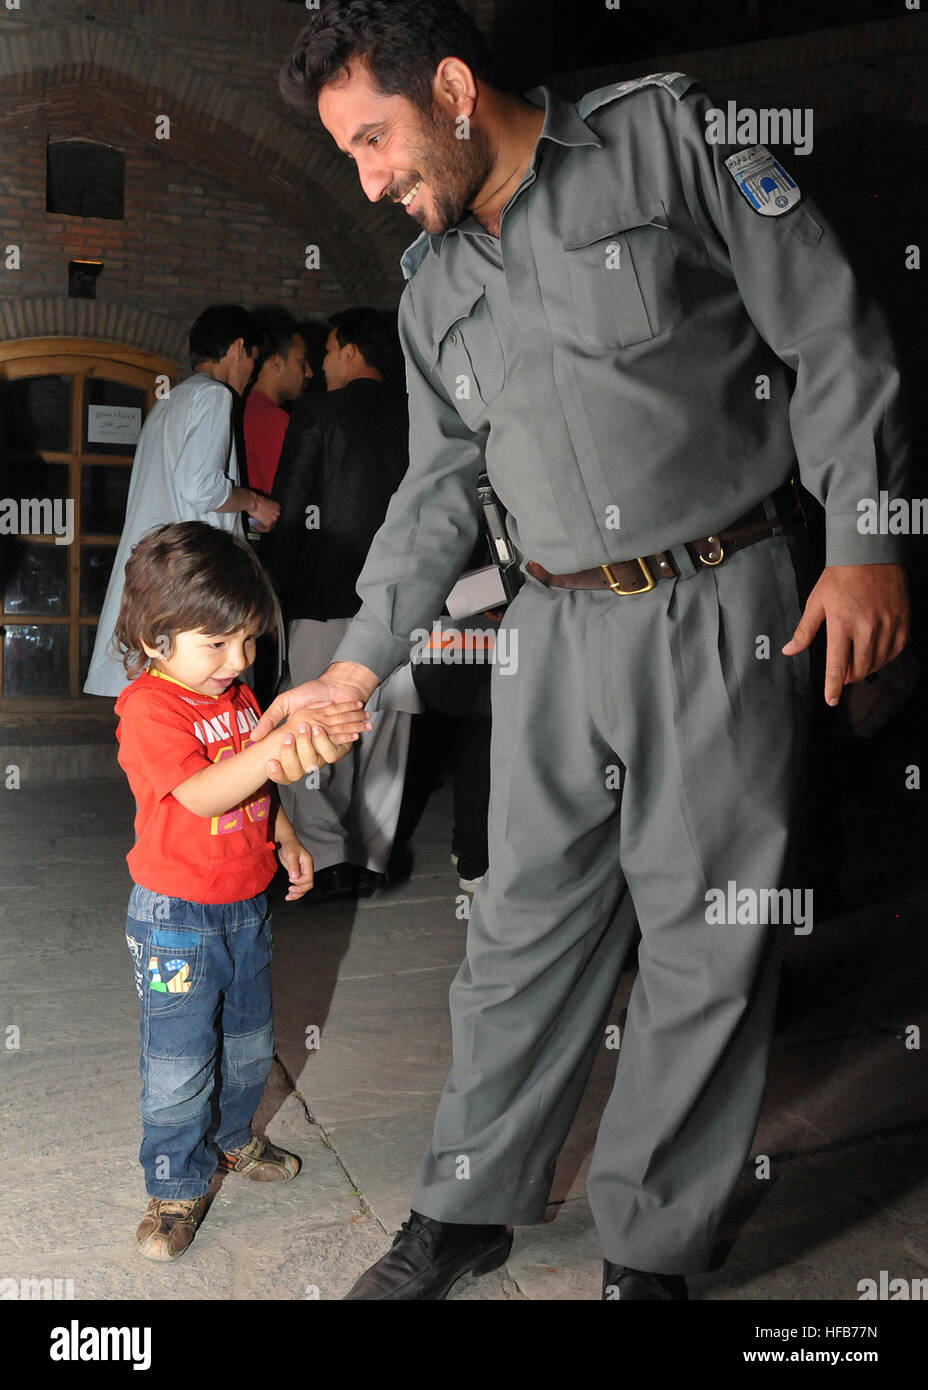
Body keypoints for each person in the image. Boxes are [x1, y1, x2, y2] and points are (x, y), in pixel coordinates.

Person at [263, 0, 910, 1300]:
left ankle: (651, 1246)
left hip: (720, 599)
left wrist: (867, 541)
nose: (370, 179)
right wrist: (354, 661)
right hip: (550, 626)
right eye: (348, 155)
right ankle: (467, 1203)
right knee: (517, 928)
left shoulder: (670, 139)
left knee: (703, 937)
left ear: (452, 88)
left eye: (375, 139)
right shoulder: (437, 288)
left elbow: (830, 329)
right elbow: (439, 492)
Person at [112, 521, 371, 1262]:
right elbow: (199, 793)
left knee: (250, 1047)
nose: (239, 660)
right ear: (158, 637)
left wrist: (284, 833)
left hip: (243, 908)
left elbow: (254, 789)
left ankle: (232, 1142)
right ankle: (173, 1185)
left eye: (249, 641)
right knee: (178, 1061)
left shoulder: (233, 695)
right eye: (217, 644)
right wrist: (273, 751)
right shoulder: (150, 708)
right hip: (175, 919)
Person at [263, 307, 411, 897]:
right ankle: (372, 858)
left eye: (326, 351)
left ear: (350, 352)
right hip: (405, 605)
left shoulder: (319, 412)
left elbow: (294, 506)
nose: (321, 365)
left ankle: (325, 858)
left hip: (326, 597)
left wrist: (273, 586)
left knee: (314, 728)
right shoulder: (418, 413)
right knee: (386, 733)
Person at [84, 305, 282, 699]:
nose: (251, 374)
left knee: (159, 700)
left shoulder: (171, 400)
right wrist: (254, 503)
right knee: (201, 704)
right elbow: (202, 488)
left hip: (160, 573)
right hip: (191, 577)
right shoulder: (214, 396)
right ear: (238, 348)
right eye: (253, 362)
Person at [243, 307, 312, 496]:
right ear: (276, 364)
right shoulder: (273, 420)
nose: (309, 372)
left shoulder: (236, 408)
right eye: (301, 361)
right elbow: (289, 496)